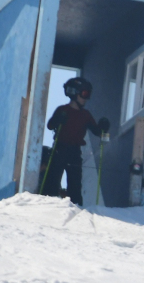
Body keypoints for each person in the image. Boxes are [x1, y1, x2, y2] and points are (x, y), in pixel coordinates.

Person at [41, 77, 109, 205]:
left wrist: (103, 128)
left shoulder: (85, 115)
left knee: (75, 183)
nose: (86, 98)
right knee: (53, 179)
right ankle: (47, 203)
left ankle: (76, 206)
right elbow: (50, 125)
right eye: (84, 94)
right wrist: (58, 119)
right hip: (59, 150)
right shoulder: (63, 110)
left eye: (88, 95)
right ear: (74, 93)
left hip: (75, 152)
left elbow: (97, 131)